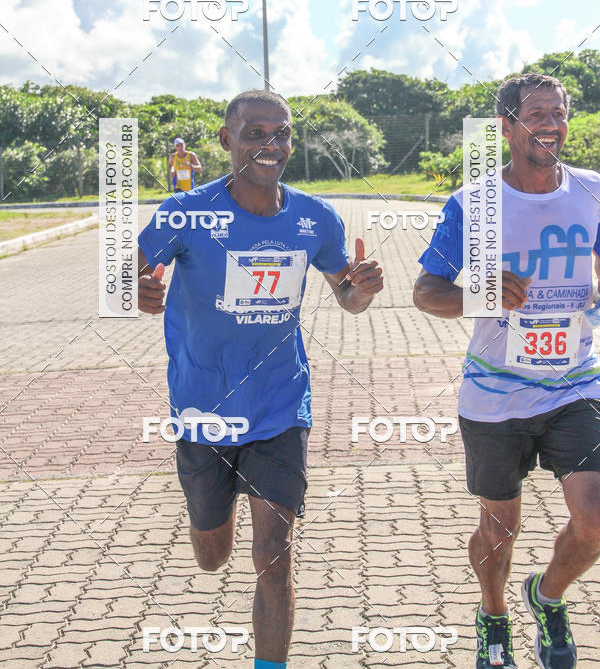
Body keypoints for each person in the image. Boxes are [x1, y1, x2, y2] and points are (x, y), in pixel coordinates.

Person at [137, 90, 384, 669]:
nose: (269, 144)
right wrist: (138, 292)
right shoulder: (185, 213)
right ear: (226, 140)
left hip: (280, 405)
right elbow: (130, 278)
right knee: (212, 554)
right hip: (203, 408)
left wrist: (361, 291)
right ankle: (210, 519)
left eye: (281, 133)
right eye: (254, 133)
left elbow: (344, 293)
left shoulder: (314, 217)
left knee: (275, 553)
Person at [413, 74, 600, 669]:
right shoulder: (475, 204)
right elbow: (426, 292)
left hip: (578, 384)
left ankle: (546, 598)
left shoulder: (594, 191)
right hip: (496, 396)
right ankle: (493, 615)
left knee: (595, 519)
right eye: (536, 113)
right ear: (506, 128)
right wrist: (483, 294)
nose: (550, 123)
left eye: (559, 113)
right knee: (499, 530)